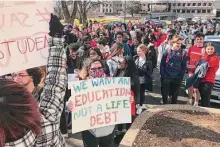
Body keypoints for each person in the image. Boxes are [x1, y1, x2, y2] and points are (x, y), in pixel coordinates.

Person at [0, 14, 67, 146]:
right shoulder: (45, 127)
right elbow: (55, 83)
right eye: (13, 76)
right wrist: (54, 37)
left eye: (20, 75)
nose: (15, 80)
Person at [67, 59, 115, 147]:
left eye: (99, 68)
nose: (97, 71)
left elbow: (120, 98)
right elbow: (72, 100)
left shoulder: (112, 82)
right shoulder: (82, 85)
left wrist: (129, 99)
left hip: (108, 128)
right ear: (88, 70)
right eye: (93, 69)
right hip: (89, 129)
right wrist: (69, 105)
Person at [160, 35, 187, 104]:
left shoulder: (183, 53)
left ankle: (173, 108)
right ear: (173, 43)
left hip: (177, 77)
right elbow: (162, 64)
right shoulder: (167, 51)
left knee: (175, 95)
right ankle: (164, 106)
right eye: (177, 43)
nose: (179, 45)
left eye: (180, 43)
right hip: (167, 76)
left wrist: (180, 76)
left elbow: (183, 66)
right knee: (164, 93)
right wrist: (163, 74)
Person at [198, 43, 219, 107]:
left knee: (206, 99)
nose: (210, 50)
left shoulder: (215, 58)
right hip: (201, 80)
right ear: (205, 49)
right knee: (202, 99)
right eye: (208, 49)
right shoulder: (204, 57)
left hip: (208, 81)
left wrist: (204, 54)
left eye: (211, 49)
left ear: (214, 50)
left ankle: (206, 114)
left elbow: (205, 65)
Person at [187, 32, 205, 106]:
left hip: (198, 72)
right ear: (195, 39)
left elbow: (205, 61)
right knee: (190, 87)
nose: (199, 40)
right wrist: (187, 65)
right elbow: (188, 58)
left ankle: (196, 103)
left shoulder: (204, 49)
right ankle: (190, 100)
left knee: (195, 89)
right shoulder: (191, 48)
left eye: (201, 39)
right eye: (198, 39)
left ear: (203, 40)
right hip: (190, 71)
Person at [134, 44, 153, 114]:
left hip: (143, 80)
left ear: (144, 51)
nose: (137, 52)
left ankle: (140, 106)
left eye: (139, 51)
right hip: (135, 79)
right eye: (137, 51)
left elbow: (150, 72)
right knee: (135, 93)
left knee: (142, 93)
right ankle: (136, 104)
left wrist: (142, 70)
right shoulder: (135, 58)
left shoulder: (148, 61)